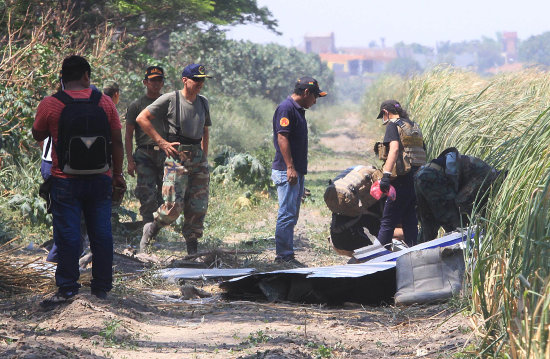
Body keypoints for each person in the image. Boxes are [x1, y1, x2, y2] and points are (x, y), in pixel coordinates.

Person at [32, 55, 125, 305]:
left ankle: (68, 288)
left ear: (62, 77)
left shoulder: (51, 103)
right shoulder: (104, 102)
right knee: (102, 234)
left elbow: (37, 133)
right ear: (86, 76)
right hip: (100, 179)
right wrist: (118, 174)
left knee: (68, 235)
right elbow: (116, 140)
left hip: (64, 180)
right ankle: (102, 288)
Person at [137, 64, 211, 255]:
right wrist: (161, 142)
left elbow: (205, 130)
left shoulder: (203, 102)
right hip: (177, 159)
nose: (200, 84)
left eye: (202, 80)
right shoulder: (170, 99)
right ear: (185, 80)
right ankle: (152, 228)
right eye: (197, 79)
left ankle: (192, 249)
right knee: (173, 207)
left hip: (198, 159)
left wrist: (205, 155)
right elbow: (142, 118)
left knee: (198, 206)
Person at [272, 76, 327, 265]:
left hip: (296, 170)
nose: (315, 101)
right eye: (315, 97)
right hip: (287, 170)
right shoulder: (286, 109)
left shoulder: (298, 110)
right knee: (286, 213)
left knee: (292, 213)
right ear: (306, 93)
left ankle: (287, 253)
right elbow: (282, 138)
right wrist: (290, 167)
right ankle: (284, 256)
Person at [414, 147, 501, 242]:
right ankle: (461, 253)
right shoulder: (487, 177)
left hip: (422, 175)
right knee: (455, 225)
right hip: (432, 177)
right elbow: (463, 200)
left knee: (428, 224)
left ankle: (415, 252)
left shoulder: (484, 171)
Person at [375, 100, 426, 248]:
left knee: (388, 220)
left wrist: (386, 176)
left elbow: (395, 150)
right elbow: (422, 151)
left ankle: (377, 255)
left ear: (385, 112)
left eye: (382, 116)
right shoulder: (413, 126)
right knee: (409, 220)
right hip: (417, 179)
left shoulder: (393, 125)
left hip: (401, 180)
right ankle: (412, 250)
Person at [125, 66, 166, 230]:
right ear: (145, 82)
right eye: (152, 80)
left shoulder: (168, 103)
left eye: (159, 80)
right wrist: (130, 161)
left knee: (166, 193)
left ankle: (159, 227)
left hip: (165, 153)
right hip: (144, 154)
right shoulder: (137, 105)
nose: (156, 83)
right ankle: (147, 227)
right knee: (146, 193)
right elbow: (128, 135)